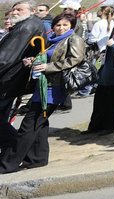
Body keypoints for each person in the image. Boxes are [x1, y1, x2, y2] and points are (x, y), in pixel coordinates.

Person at [0, 13, 85, 173]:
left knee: (28, 126)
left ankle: (7, 164)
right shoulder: (53, 40)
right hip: (43, 86)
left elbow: (75, 60)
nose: (61, 28)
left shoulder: (74, 39)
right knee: (40, 124)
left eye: (65, 25)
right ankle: (37, 158)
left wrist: (48, 67)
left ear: (72, 26)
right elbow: (47, 58)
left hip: (55, 88)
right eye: (58, 25)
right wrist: (32, 61)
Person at [0, 1, 45, 121]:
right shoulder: (31, 24)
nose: (14, 12)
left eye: (19, 10)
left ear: (33, 11)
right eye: (13, 9)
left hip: (9, 77)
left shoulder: (26, 26)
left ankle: (11, 140)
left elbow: (6, 58)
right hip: (14, 77)